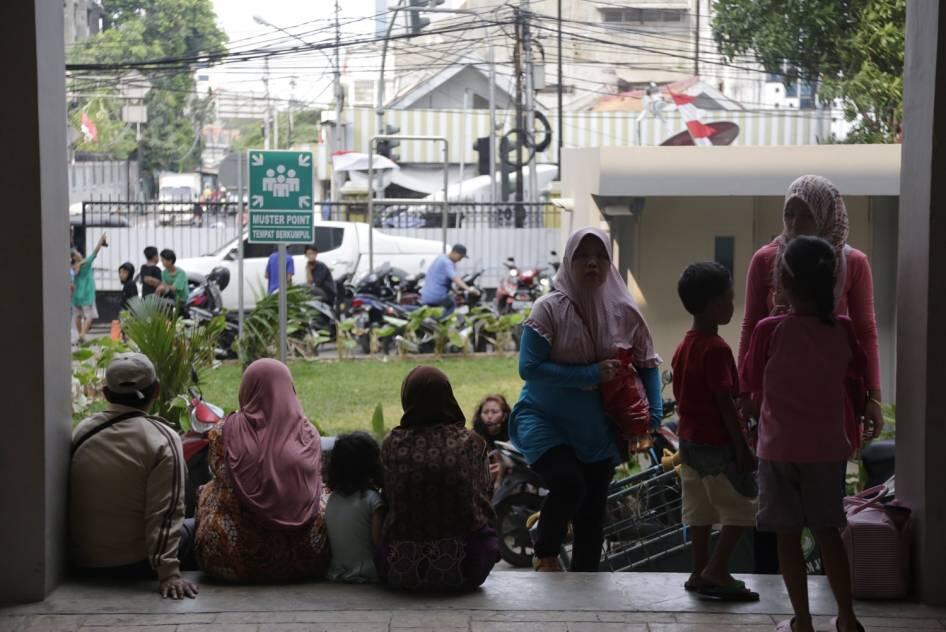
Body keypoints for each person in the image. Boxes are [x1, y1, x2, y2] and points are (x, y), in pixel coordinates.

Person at [737, 174, 884, 575]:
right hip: (775, 400)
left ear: (825, 216)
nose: (796, 224)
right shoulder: (767, 259)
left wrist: (873, 394)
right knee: (773, 511)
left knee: (825, 511)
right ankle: (771, 591)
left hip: (827, 403)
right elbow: (751, 325)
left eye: (806, 215)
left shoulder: (852, 262)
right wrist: (743, 393)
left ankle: (825, 607)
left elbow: (866, 330)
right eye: (790, 214)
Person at [509, 227, 663, 572]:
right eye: (583, 256)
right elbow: (529, 368)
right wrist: (589, 374)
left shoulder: (625, 311)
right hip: (544, 419)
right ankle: (544, 549)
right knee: (568, 483)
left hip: (597, 427)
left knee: (592, 515)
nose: (592, 263)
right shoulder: (548, 309)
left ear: (610, 263)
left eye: (600, 256)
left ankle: (586, 594)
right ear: (569, 261)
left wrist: (652, 415)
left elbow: (647, 362)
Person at [741, 236, 869, 632]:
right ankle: (847, 617)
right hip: (827, 450)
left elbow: (748, 382)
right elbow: (857, 385)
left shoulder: (769, 330)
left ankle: (802, 620)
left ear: (784, 284)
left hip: (778, 449)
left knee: (787, 536)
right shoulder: (844, 332)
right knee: (829, 532)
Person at [70, 353, 198, 600]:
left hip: (84, 562)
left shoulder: (83, 430)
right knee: (199, 525)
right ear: (157, 391)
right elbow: (165, 513)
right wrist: (169, 573)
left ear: (106, 393)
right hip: (137, 564)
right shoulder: (162, 438)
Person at [194, 359, 328, 582]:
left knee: (208, 491)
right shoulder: (309, 434)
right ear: (290, 389)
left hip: (233, 560)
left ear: (247, 389)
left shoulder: (224, 432)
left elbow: (221, 475)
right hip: (307, 558)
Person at [673, 262, 759, 601]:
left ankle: (699, 569)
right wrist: (743, 448)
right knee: (743, 507)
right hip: (717, 444)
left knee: (700, 509)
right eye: (728, 298)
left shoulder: (684, 346)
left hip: (689, 442)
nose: (732, 304)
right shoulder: (717, 349)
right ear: (712, 304)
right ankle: (718, 568)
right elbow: (726, 403)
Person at [379, 366, 499, 592]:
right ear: (447, 396)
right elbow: (485, 493)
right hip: (467, 568)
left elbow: (387, 496)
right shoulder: (472, 443)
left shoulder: (391, 444)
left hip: (401, 568)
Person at [324, 432, 385, 583]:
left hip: (337, 571)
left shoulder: (332, 499)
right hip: (368, 573)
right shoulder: (372, 500)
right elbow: (378, 542)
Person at [420, 244, 479, 312]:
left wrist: (456, 291)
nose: (460, 260)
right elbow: (456, 279)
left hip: (427, 295)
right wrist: (469, 290)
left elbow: (444, 280)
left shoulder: (441, 258)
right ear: (454, 253)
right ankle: (440, 322)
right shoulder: (447, 263)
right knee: (452, 305)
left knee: (451, 299)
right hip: (436, 296)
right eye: (460, 257)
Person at [71, 232, 107, 343]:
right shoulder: (85, 264)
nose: (79, 254)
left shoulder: (73, 267)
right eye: (77, 253)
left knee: (77, 315)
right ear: (75, 257)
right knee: (89, 315)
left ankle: (80, 334)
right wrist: (101, 241)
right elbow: (95, 252)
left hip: (76, 295)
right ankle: (82, 334)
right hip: (87, 294)